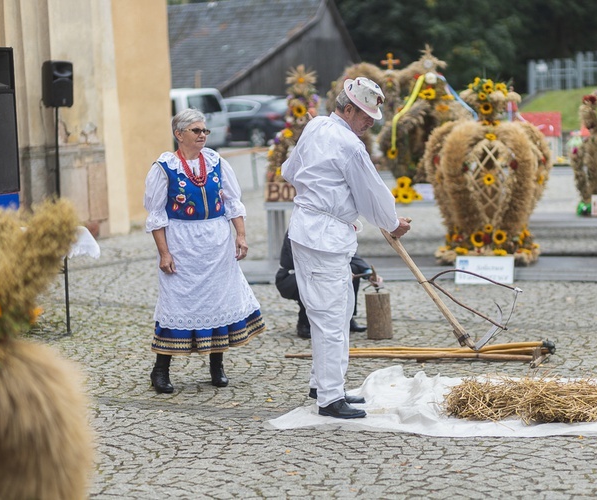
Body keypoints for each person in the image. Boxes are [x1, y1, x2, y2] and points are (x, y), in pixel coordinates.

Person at [282, 77, 411, 419]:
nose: (370, 121)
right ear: (348, 108)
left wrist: (319, 193)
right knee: (331, 314)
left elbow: (289, 171)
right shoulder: (349, 145)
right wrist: (391, 221)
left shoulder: (316, 126)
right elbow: (371, 191)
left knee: (333, 310)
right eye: (366, 114)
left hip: (308, 229)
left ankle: (324, 384)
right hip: (324, 236)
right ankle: (329, 397)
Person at [143, 108, 265, 394]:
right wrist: (164, 253)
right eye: (196, 130)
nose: (202, 135)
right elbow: (156, 214)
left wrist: (242, 236)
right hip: (182, 243)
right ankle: (160, 370)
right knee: (178, 304)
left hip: (217, 243)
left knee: (218, 303)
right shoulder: (164, 167)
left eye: (204, 130)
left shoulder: (216, 162)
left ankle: (216, 365)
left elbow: (233, 202)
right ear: (179, 134)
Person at [276, 230, 374, 339]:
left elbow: (348, 253)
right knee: (313, 281)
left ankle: (347, 318)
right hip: (292, 276)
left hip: (322, 272)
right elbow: (306, 260)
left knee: (353, 269)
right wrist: (335, 272)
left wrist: (368, 272)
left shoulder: (330, 226)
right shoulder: (298, 228)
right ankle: (305, 323)